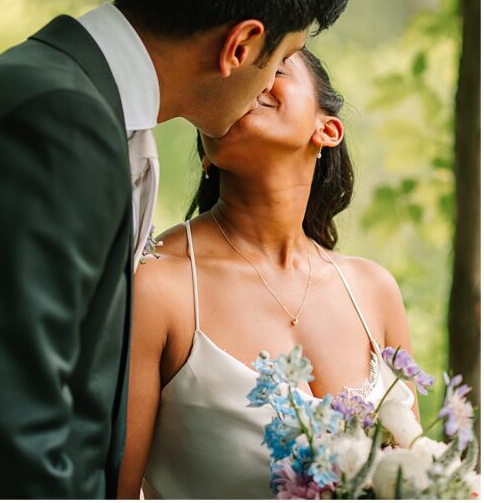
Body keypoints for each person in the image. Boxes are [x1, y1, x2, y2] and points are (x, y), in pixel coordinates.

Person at [0, 0, 356, 498]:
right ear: (241, 45)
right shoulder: (58, 120)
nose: (273, 83)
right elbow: (16, 432)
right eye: (282, 59)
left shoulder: (115, 129)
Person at [117, 48, 418, 499]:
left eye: (275, 68)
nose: (247, 80)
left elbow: (414, 470)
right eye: (231, 73)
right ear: (206, 151)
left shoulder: (374, 291)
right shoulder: (158, 284)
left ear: (327, 130)